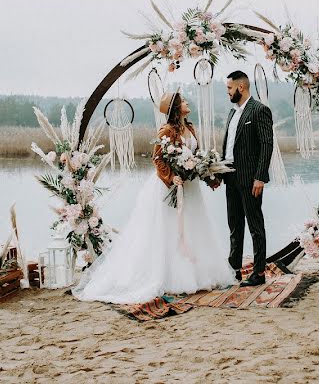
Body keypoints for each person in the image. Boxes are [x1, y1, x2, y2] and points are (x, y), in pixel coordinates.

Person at [73, 91, 235, 304]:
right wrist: (173, 177)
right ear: (176, 107)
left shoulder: (190, 127)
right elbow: (158, 158)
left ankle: (198, 273)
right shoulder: (166, 130)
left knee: (193, 226)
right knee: (169, 230)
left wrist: (209, 175)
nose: (187, 102)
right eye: (183, 101)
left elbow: (195, 158)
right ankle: (172, 276)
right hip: (170, 186)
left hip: (190, 186)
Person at [221, 70, 274, 286]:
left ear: (240, 87)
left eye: (229, 88)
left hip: (250, 178)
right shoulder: (232, 113)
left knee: (255, 225)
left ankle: (259, 273)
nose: (228, 92)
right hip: (230, 176)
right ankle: (234, 269)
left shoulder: (259, 110)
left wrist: (260, 177)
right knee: (234, 225)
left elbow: (266, 145)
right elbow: (229, 148)